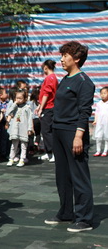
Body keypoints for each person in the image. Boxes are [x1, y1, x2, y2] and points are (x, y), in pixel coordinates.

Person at [44, 41, 95, 233]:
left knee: (79, 176)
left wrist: (78, 136)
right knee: (62, 176)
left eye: (65, 55)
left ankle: (85, 219)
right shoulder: (65, 79)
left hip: (73, 132)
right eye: (62, 55)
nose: (61, 59)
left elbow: (84, 112)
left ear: (77, 58)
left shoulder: (84, 82)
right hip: (58, 130)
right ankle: (66, 212)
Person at [35, 60, 58, 162]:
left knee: (47, 131)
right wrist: (39, 105)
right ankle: (49, 152)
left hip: (49, 108)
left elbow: (46, 94)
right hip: (47, 107)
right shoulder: (52, 78)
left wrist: (41, 107)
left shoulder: (50, 78)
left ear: (45, 68)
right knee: (46, 131)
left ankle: (52, 153)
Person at [5, 90, 33, 167]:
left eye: (20, 98)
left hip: (23, 129)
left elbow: (30, 119)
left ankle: (22, 159)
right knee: (14, 145)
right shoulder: (14, 107)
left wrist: (29, 129)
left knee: (24, 145)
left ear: (25, 99)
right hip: (15, 129)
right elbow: (8, 113)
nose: (18, 100)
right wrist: (14, 104)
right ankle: (11, 158)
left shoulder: (27, 108)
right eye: (17, 98)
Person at [93, 87, 108, 157]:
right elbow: (97, 112)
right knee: (98, 136)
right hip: (100, 122)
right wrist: (95, 120)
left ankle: (105, 151)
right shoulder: (99, 103)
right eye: (101, 93)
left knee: (106, 137)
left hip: (107, 122)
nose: (103, 95)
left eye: (105, 93)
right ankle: (98, 150)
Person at [27, 87, 41, 155]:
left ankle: (31, 149)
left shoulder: (29, 103)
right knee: (38, 133)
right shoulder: (39, 103)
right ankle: (36, 143)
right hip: (38, 120)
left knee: (31, 135)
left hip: (31, 120)